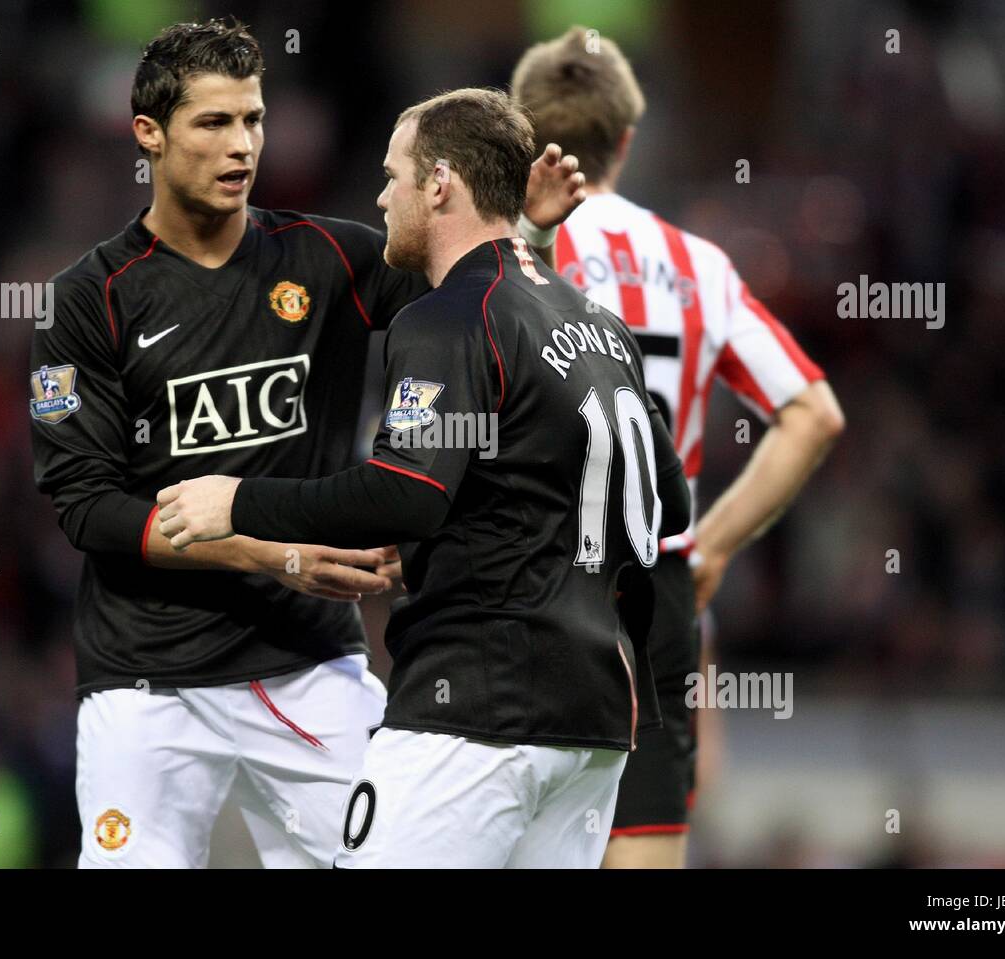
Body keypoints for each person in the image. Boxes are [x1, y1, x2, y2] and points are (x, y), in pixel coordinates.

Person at [30, 18, 583, 868]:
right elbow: (89, 508)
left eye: (253, 119)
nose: (242, 144)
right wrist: (265, 552)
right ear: (148, 133)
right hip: (144, 680)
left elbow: (478, 299)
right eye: (213, 123)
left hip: (307, 663)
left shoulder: (328, 257)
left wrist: (522, 234)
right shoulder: (88, 299)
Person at [155, 87, 692, 868]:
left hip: (475, 710)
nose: (381, 195)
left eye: (393, 174)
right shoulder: (599, 323)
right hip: (595, 724)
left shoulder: (445, 318)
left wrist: (236, 501)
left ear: (439, 183)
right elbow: (663, 502)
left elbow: (407, 490)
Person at [511, 26, 845, 868]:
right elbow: (814, 413)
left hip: (521, 583)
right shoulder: (698, 264)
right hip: (653, 590)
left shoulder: (501, 254)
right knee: (645, 837)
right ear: (627, 139)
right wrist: (713, 548)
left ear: (522, 132)